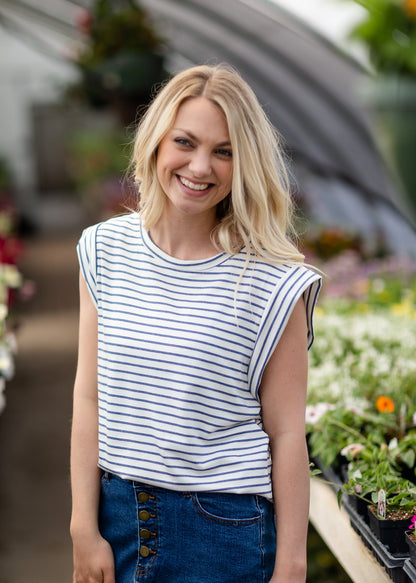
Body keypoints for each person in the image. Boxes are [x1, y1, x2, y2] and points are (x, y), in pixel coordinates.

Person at [70, 63, 321, 583]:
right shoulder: (102, 250)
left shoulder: (273, 282)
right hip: (116, 518)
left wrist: (292, 566)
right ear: (157, 141)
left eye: (224, 151)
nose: (201, 166)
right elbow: (88, 397)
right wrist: (83, 527)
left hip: (221, 532)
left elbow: (287, 433)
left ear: (244, 162)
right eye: (186, 141)